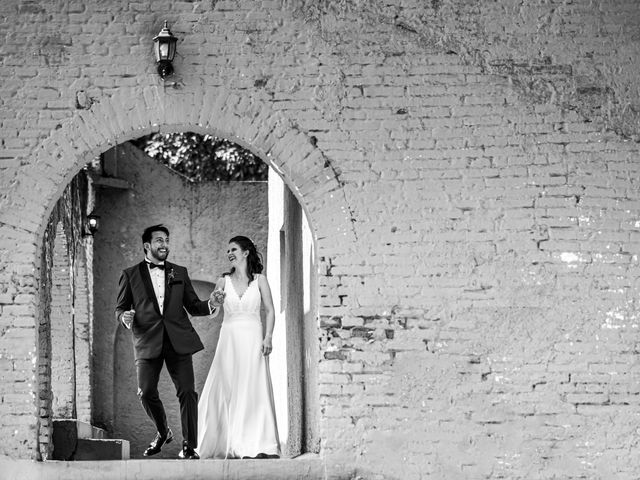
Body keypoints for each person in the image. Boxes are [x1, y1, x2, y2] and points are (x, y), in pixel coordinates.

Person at [115, 224, 223, 460]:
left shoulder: (179, 272)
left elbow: (194, 306)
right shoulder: (130, 275)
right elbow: (120, 308)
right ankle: (163, 432)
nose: (164, 245)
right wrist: (124, 317)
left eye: (166, 240)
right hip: (147, 341)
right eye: (159, 241)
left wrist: (212, 303)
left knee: (187, 392)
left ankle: (189, 446)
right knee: (145, 392)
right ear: (147, 245)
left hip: (178, 341)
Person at [197, 236, 281, 459]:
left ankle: (260, 444)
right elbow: (214, 312)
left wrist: (268, 337)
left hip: (253, 336)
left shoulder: (260, 280)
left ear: (246, 252)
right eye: (227, 251)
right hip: (230, 338)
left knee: (253, 387)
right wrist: (214, 302)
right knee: (227, 386)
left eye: (233, 249)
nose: (229, 253)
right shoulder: (222, 281)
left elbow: (270, 310)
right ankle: (230, 442)